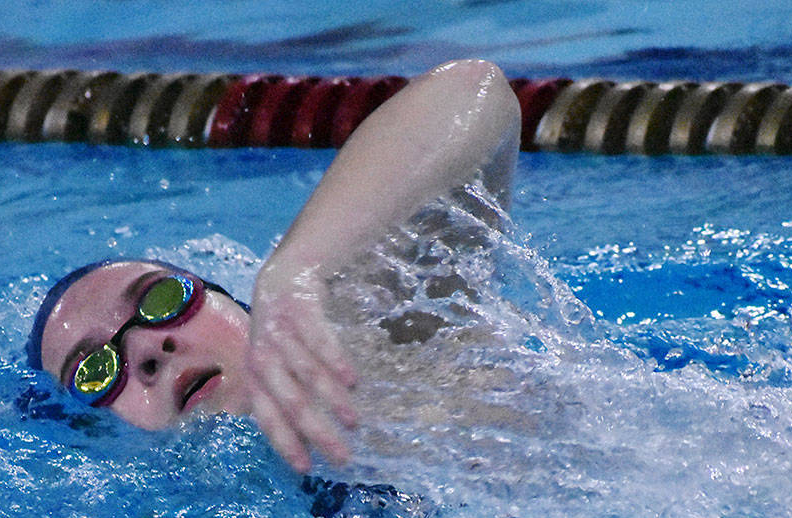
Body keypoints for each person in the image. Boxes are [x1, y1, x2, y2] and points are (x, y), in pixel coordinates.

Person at [27, 59, 521, 473]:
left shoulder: (379, 337)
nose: (147, 348)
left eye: (162, 298)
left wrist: (299, 269)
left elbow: (476, 91)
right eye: (96, 371)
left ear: (235, 302)